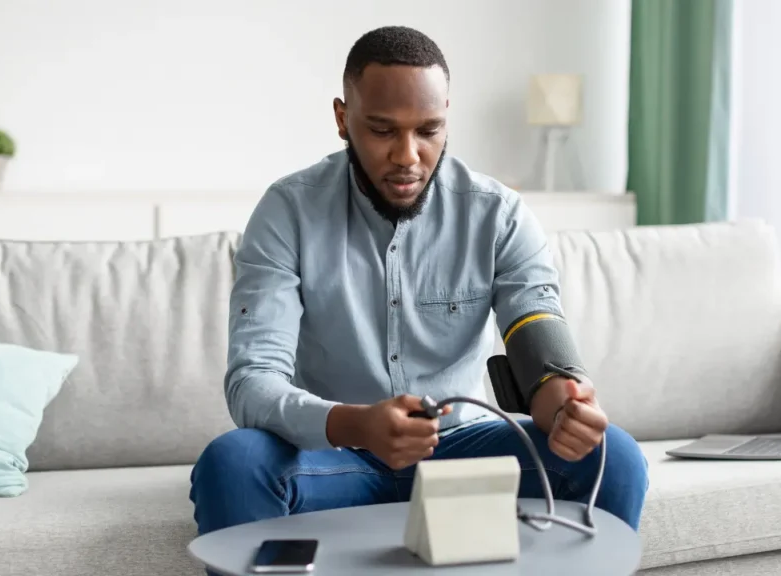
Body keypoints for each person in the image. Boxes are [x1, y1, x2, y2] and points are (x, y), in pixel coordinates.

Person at [189, 25, 649, 538]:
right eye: (383, 130)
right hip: (337, 455)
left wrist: (565, 405)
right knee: (232, 462)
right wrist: (358, 424)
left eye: (428, 130)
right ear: (343, 119)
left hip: (463, 452)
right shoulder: (287, 212)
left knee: (617, 456)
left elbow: (540, 348)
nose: (408, 155)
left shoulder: (499, 215)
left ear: (447, 116)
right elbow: (252, 382)